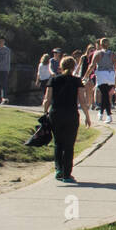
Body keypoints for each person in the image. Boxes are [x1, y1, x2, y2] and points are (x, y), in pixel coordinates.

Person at [42, 55, 90, 183]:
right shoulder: (77, 81)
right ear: (74, 67)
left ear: (61, 67)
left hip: (56, 114)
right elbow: (82, 100)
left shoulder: (54, 80)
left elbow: (47, 99)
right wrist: (87, 116)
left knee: (58, 142)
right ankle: (67, 174)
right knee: (69, 144)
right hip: (71, 114)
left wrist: (45, 112)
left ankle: (58, 170)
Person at [90, 37, 116, 123]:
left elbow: (92, 65)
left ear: (100, 45)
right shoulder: (112, 54)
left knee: (104, 95)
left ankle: (108, 115)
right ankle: (101, 112)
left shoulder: (98, 53)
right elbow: (115, 67)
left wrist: (86, 75)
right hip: (111, 75)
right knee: (106, 95)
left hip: (101, 74)